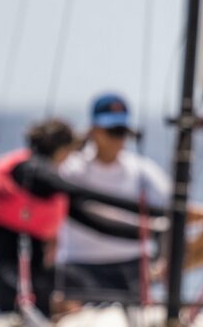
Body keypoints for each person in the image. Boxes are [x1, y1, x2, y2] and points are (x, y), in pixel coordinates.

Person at [0, 119, 157, 317]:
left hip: (38, 274)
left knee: (91, 291)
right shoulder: (28, 170)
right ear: (62, 149)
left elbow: (97, 224)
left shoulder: (51, 187)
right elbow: (84, 194)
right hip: (4, 278)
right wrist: (159, 212)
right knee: (57, 301)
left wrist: (155, 232)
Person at [56, 93, 178, 301]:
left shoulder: (141, 170)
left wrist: (164, 259)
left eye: (122, 132)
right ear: (93, 131)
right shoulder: (71, 170)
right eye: (112, 131)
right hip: (80, 267)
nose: (118, 139)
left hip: (133, 267)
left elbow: (174, 210)